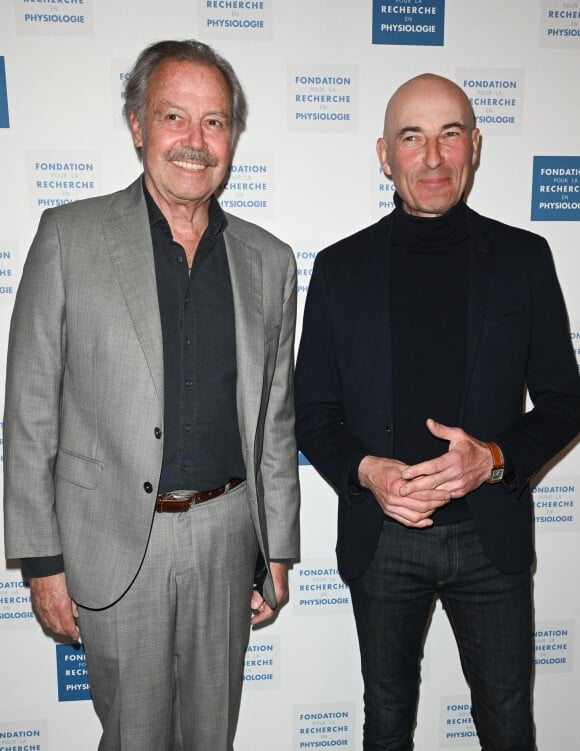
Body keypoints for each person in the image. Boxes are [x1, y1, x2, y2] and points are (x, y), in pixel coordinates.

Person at [3, 39, 299, 751]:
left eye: (215, 122)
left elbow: (276, 422)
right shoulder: (69, 238)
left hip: (229, 542)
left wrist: (278, 549)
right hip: (112, 541)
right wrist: (42, 562)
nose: (195, 142)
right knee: (133, 737)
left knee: (210, 737)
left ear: (233, 135)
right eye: (174, 117)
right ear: (138, 124)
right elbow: (30, 410)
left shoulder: (271, 260)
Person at [294, 72, 580, 750]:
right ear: (384, 154)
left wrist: (495, 458)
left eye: (449, 134)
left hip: (492, 538)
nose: (431, 157)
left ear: (474, 146)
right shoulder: (339, 270)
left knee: (509, 725)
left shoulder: (525, 258)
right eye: (411, 137)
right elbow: (311, 414)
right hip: (383, 538)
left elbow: (567, 402)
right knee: (387, 723)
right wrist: (367, 472)